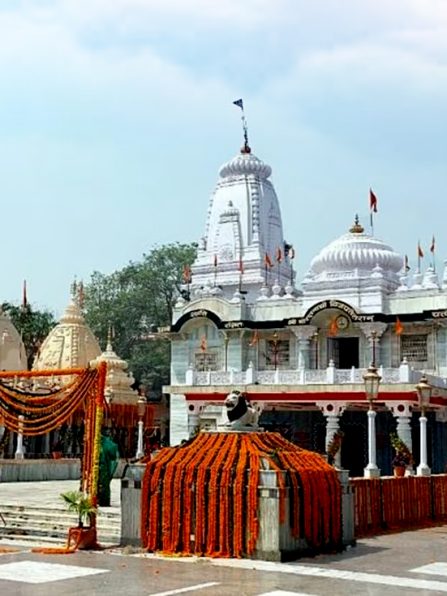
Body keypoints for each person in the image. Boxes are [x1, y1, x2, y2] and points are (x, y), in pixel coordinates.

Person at [98, 430, 119, 506]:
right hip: (96, 467)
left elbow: (114, 455)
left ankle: (104, 501)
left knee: (104, 485)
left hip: (104, 468)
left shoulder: (107, 444)